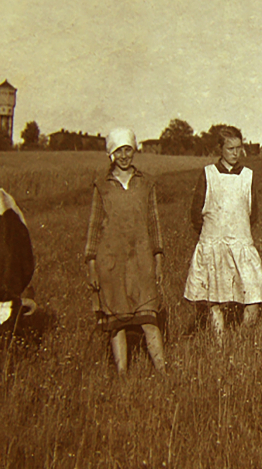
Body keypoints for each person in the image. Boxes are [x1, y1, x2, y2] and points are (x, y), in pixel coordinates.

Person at [84, 128, 166, 375]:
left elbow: (154, 221)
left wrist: (158, 256)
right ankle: (122, 377)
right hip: (110, 261)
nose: (124, 155)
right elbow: (94, 226)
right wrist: (91, 265)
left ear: (134, 149)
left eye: (128, 149)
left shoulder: (146, 182)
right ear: (111, 153)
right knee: (116, 323)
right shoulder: (102, 185)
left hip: (141, 259)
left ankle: (163, 373)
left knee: (149, 319)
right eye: (118, 150)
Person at [184, 125, 262, 338]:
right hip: (214, 243)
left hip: (241, 243)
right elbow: (195, 213)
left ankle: (241, 341)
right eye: (230, 149)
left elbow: (252, 213)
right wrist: (212, 236)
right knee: (214, 298)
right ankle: (220, 344)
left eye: (239, 148)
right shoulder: (208, 174)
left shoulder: (248, 176)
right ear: (220, 149)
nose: (236, 153)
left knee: (253, 297)